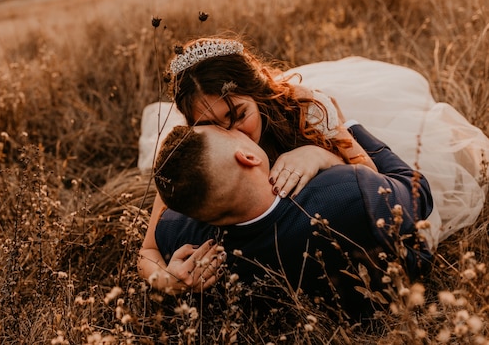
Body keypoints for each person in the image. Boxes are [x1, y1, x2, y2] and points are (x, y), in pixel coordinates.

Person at [138, 37, 383, 292]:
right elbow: (148, 250)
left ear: (257, 92)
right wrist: (165, 279)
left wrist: (319, 155)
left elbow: (372, 178)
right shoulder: (199, 150)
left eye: (239, 115)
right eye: (210, 126)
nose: (234, 136)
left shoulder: (303, 110)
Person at [152, 123, 434, 318]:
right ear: (248, 156)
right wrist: (347, 132)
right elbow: (419, 194)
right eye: (228, 131)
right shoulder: (350, 191)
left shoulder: (178, 238)